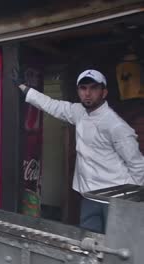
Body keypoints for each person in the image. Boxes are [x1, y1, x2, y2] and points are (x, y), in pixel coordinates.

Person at [17, 69, 144, 233]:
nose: (88, 93)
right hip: (89, 197)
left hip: (116, 200)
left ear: (104, 92)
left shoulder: (116, 126)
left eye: (93, 88)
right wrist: (23, 87)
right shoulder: (79, 112)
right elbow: (50, 105)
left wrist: (133, 202)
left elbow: (137, 164)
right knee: (89, 246)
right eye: (83, 88)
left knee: (116, 250)